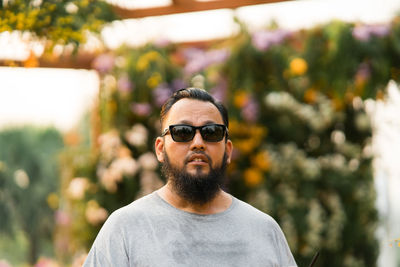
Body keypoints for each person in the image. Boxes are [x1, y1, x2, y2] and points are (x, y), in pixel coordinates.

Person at [83, 88, 297, 267]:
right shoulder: (124, 228)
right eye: (183, 132)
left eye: (211, 132)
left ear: (228, 150)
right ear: (160, 149)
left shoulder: (264, 230)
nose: (197, 142)